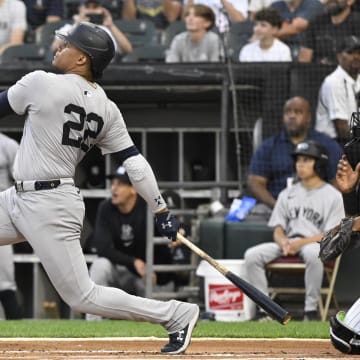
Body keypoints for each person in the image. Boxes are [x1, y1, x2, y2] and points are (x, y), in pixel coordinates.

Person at [0, 22, 199, 354]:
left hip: (49, 202)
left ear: (83, 59)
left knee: (82, 296)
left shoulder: (40, 83)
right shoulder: (106, 107)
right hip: (19, 198)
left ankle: (176, 314)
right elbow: (135, 162)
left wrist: (160, 209)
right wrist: (161, 209)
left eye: (66, 46)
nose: (58, 48)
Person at [244, 140, 345, 321]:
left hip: (315, 245)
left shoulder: (333, 195)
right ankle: (265, 310)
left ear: (319, 163)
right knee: (252, 255)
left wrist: (300, 243)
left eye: (306, 159)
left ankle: (310, 311)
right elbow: (278, 228)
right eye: (298, 159)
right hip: (289, 243)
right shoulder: (287, 193)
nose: (300, 164)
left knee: (314, 254)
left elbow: (330, 235)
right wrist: (284, 242)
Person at [86, 166, 175, 320]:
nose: (113, 188)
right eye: (113, 183)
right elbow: (102, 247)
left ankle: (149, 330)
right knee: (100, 266)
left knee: (148, 286)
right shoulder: (106, 207)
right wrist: (133, 262)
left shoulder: (148, 206)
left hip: (148, 273)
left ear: (133, 189)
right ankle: (94, 327)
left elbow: (168, 226)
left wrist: (176, 233)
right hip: (122, 270)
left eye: (120, 184)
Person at [247, 96, 343, 216]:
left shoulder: (327, 145)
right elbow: (255, 181)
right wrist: (276, 205)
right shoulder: (268, 146)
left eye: (298, 112)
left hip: (317, 210)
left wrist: (322, 205)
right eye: (288, 112)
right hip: (276, 208)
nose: (292, 116)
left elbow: (338, 180)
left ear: (308, 118)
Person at [315, 35, 360, 144]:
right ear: (339, 56)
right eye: (350, 53)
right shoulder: (333, 82)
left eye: (359, 53)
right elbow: (342, 129)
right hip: (331, 142)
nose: (356, 57)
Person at [51, 0, 132, 56]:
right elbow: (55, 48)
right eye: (87, 7)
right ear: (80, 8)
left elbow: (127, 50)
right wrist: (77, 25)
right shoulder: (69, 28)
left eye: (95, 7)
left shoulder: (107, 29)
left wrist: (111, 25)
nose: (91, 11)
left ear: (101, 9)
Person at [0, 133, 22, 319]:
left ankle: (18, 335)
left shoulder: (8, 145)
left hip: (1, 213)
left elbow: (22, 183)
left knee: (5, 283)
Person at [299, 0, 360, 64]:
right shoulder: (316, 22)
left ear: (350, 1)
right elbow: (304, 61)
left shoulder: (357, 22)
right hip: (319, 71)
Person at [182, 0, 247, 33]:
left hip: (228, 34)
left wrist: (224, 2)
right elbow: (185, 19)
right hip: (200, 33)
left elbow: (240, 21)